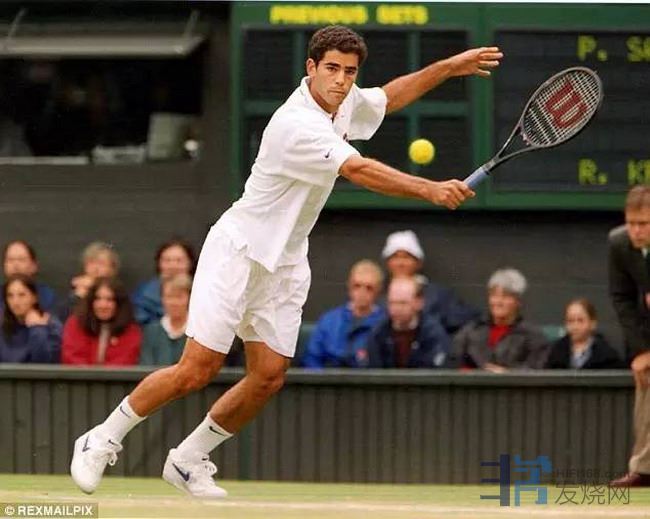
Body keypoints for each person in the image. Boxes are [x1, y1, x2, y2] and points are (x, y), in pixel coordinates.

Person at [70, 25, 500, 498]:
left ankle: (188, 459)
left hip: (287, 262)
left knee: (268, 376)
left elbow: (387, 97)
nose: (341, 80)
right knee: (197, 369)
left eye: (349, 72)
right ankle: (101, 437)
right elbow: (357, 169)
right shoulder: (295, 124)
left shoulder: (344, 101)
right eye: (332, 69)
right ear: (310, 68)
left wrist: (449, 67)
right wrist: (429, 189)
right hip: (238, 250)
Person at [608, 186, 650, 488]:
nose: (635, 230)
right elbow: (622, 298)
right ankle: (644, 469)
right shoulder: (619, 243)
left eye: (644, 224)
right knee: (646, 375)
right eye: (631, 223)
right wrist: (641, 351)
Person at [448, 268, 548, 371]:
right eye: (494, 295)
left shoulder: (532, 336)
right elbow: (453, 363)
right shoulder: (472, 330)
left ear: (518, 301)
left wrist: (506, 374)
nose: (498, 302)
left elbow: (535, 371)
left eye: (505, 296)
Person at [381, 230, 478, 335]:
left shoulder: (438, 295)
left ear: (418, 263)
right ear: (388, 263)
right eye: (395, 257)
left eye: (406, 257)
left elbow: (468, 319)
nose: (401, 263)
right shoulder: (377, 293)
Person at [302, 259, 385, 368]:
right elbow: (312, 359)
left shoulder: (385, 324)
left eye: (369, 288)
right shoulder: (329, 321)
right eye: (357, 286)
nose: (362, 292)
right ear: (349, 286)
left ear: (378, 290)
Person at [368, 277, 450, 368]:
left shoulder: (433, 333)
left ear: (419, 303)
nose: (396, 308)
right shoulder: (379, 333)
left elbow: (434, 370)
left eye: (403, 303)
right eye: (392, 303)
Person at [61, 277, 141, 366]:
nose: (103, 305)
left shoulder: (130, 329)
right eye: (97, 299)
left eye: (110, 299)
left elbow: (125, 361)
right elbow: (72, 358)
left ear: (119, 303)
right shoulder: (76, 323)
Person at [545, 298, 622, 370]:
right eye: (570, 321)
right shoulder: (556, 352)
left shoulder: (607, 356)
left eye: (580, 320)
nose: (575, 326)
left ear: (592, 323)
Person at [0, 274, 62, 363]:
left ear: (34, 298)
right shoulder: (2, 325)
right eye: (10, 296)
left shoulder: (52, 325)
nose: (15, 302)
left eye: (22, 295)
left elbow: (43, 362)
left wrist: (37, 329)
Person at [132, 239, 195, 326]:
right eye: (167, 260)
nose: (173, 266)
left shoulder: (203, 292)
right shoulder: (144, 294)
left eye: (179, 260)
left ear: (190, 263)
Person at [58, 241, 121, 321]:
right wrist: (77, 297)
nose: (95, 268)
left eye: (101, 263)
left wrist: (94, 287)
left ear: (112, 269)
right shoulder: (78, 288)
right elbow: (62, 318)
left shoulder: (117, 291)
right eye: (91, 262)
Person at [140, 274, 191, 366]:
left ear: (189, 298)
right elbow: (145, 366)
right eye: (169, 297)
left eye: (179, 297)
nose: (174, 303)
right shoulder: (151, 331)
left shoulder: (197, 332)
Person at [2, 240, 57, 312]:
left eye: (21, 260)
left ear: (34, 266)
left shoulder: (46, 296)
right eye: (10, 260)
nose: (15, 265)